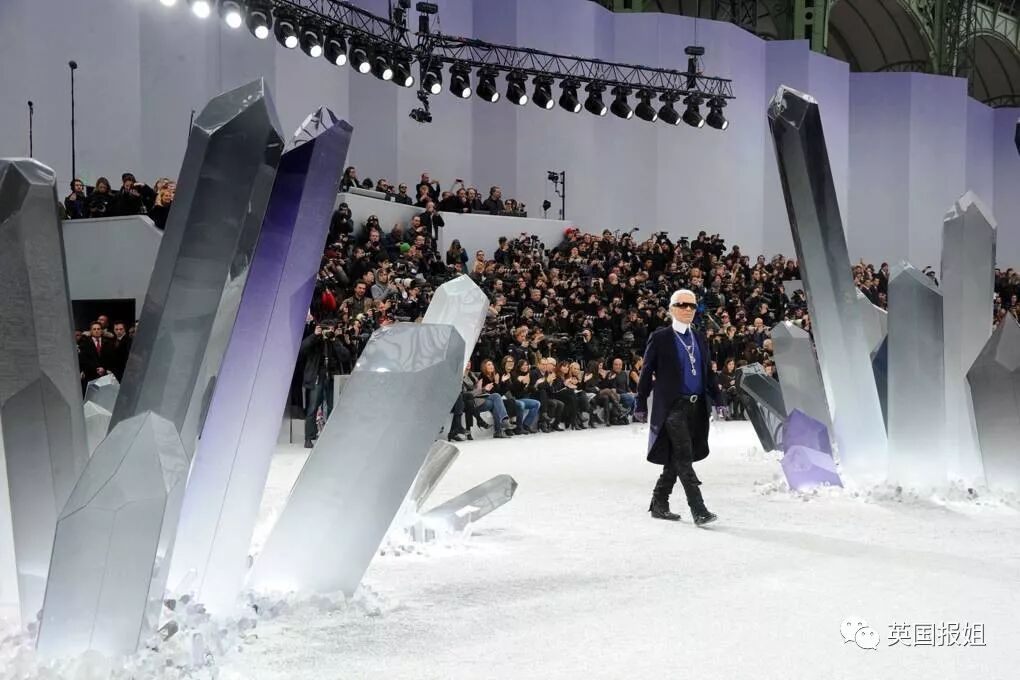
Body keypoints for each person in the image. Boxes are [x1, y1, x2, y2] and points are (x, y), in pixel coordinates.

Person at [635, 289, 719, 525]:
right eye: (682, 305)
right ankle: (698, 508)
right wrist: (640, 401)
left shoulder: (699, 337)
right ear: (671, 308)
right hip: (672, 407)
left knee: (675, 456)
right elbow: (646, 372)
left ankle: (659, 502)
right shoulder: (660, 337)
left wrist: (718, 398)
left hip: (696, 407)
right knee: (684, 455)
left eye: (692, 306)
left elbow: (708, 371)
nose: (688, 309)